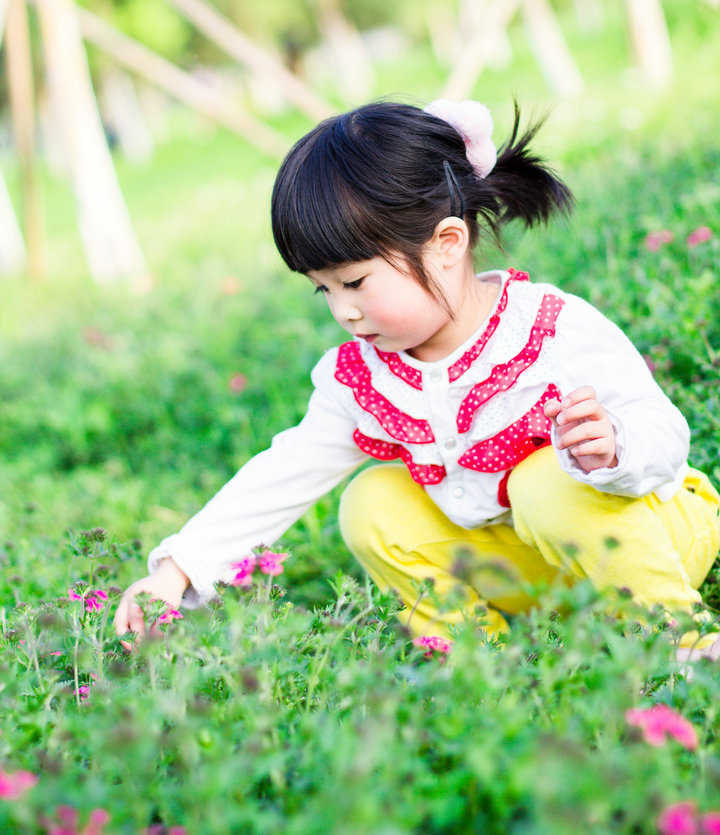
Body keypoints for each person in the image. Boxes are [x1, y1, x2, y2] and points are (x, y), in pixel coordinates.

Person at [113, 98, 720, 659]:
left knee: (542, 479)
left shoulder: (547, 330)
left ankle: (681, 644)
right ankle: (475, 662)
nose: (342, 311)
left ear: (447, 244)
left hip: (650, 544)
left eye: (354, 282)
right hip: (544, 576)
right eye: (322, 289)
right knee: (372, 501)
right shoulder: (365, 379)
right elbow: (282, 475)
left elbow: (663, 431)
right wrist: (178, 571)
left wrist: (615, 447)